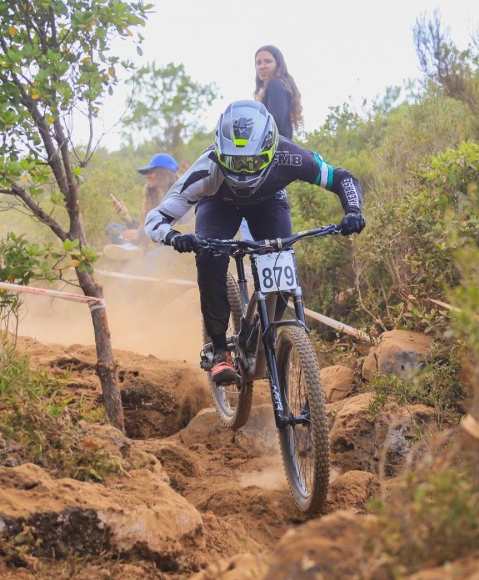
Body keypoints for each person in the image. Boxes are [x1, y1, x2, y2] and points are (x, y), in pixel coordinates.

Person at [144, 100, 365, 384]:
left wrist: (353, 211)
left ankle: (273, 338)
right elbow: (156, 218)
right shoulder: (206, 168)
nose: (245, 171)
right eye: (236, 162)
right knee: (209, 258)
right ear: (221, 153)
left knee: (281, 264)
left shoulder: (292, 156)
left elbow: (342, 178)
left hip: (268, 203)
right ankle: (220, 351)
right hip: (218, 205)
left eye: (253, 161)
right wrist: (176, 237)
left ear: (271, 149)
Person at [104, 153, 180, 260]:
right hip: (148, 244)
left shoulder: (180, 199)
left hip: (167, 248)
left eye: (151, 172)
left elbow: (178, 233)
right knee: (112, 228)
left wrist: (140, 235)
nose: (147, 176)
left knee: (157, 254)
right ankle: (129, 249)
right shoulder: (153, 199)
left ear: (164, 174)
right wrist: (127, 218)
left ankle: (137, 261)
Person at [253, 45, 303, 141]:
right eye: (258, 63)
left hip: (277, 148)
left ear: (278, 64)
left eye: (267, 61)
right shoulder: (278, 85)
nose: (262, 66)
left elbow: (274, 121)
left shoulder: (275, 85)